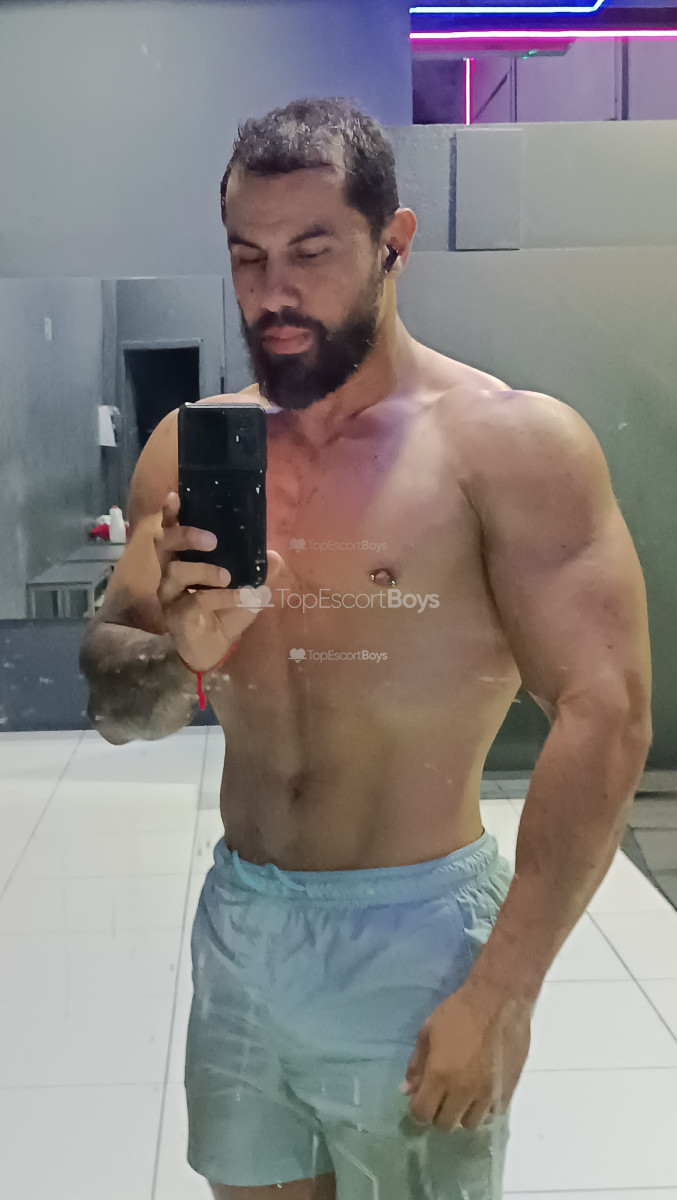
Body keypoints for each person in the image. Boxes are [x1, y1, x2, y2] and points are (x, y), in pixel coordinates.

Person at [80, 97, 652, 1200]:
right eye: (246, 256)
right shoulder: (185, 452)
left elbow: (607, 710)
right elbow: (118, 711)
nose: (273, 293)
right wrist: (180, 656)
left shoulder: (508, 446)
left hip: (417, 929)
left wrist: (504, 990)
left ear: (394, 242)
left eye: (311, 252)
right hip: (244, 919)